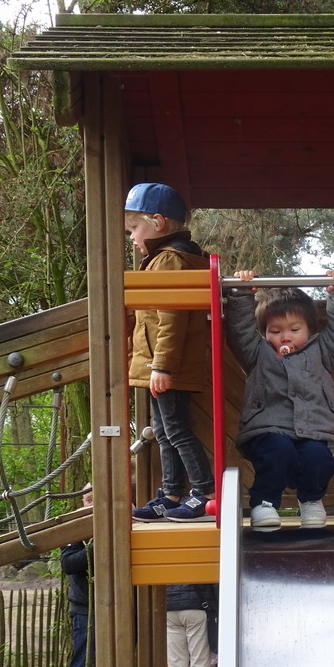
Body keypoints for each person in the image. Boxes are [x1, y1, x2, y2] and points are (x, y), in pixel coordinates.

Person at [225, 269, 334, 529]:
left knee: (318, 458)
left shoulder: (323, 351)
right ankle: (265, 502)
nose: (285, 336)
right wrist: (241, 295)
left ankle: (311, 500)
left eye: (294, 329)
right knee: (278, 452)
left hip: (315, 429)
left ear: (310, 329)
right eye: (275, 331)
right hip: (269, 428)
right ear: (264, 333)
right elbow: (240, 332)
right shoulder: (258, 353)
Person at [125, 183, 216, 522]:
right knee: (164, 432)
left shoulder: (169, 260)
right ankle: (171, 493)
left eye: (135, 228)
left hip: (167, 367)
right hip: (157, 365)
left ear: (158, 223)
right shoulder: (160, 259)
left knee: (176, 431)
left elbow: (172, 317)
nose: (133, 237)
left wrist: (161, 366)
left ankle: (206, 493)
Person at [60, 484, 97, 667]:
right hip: (86, 609)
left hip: (119, 605)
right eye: (87, 499)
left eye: (96, 499)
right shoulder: (74, 527)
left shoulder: (123, 517)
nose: (91, 504)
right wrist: (96, 547)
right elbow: (68, 564)